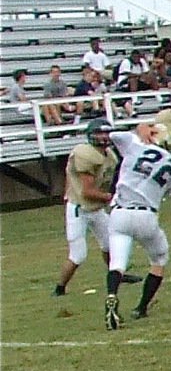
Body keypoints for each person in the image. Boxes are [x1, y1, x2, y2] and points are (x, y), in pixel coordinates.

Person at [102, 122, 171, 329]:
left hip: (119, 212)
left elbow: (112, 135)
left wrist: (140, 129)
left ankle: (112, 295)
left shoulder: (134, 145)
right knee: (159, 259)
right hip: (146, 215)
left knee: (117, 263)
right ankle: (141, 306)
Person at [53, 117, 120, 297]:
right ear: (90, 136)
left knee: (111, 244)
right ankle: (60, 288)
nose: (104, 137)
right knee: (78, 255)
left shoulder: (110, 155)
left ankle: (116, 275)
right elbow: (87, 192)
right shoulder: (85, 154)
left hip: (96, 209)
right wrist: (112, 197)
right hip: (79, 209)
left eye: (106, 133)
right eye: (99, 133)